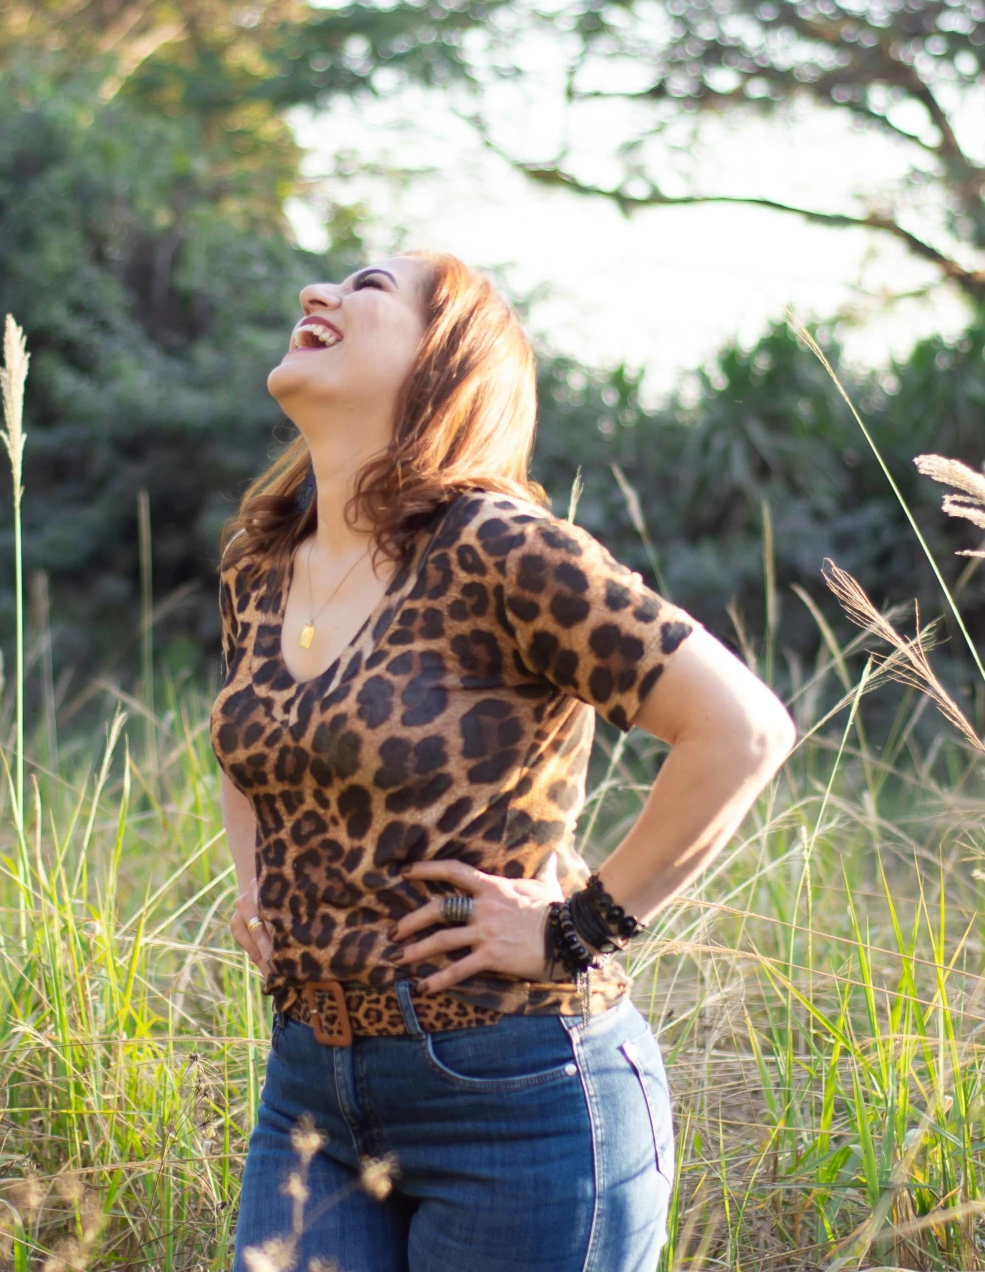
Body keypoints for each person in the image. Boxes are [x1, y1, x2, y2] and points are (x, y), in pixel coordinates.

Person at [213, 250, 797, 1272]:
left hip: (515, 1088)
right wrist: (257, 885)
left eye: (367, 286)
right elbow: (248, 738)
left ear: (448, 361)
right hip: (308, 1089)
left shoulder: (499, 545)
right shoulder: (262, 562)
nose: (318, 294)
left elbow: (742, 728)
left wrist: (580, 926)